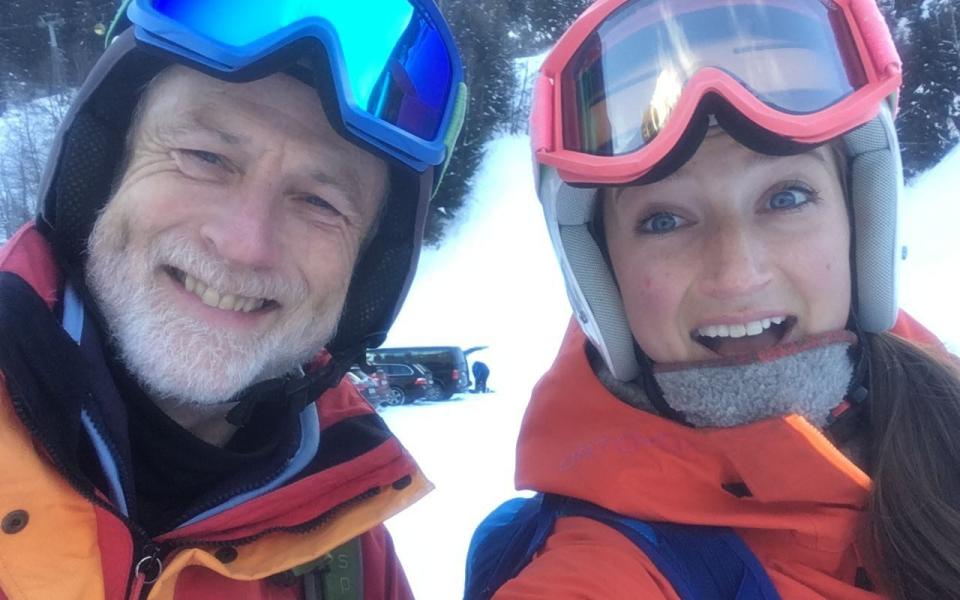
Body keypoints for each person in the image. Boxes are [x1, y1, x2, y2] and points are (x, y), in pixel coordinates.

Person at [466, 0, 960, 598]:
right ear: (604, 275)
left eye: (786, 198)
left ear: (861, 221)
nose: (736, 275)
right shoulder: (605, 570)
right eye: (665, 220)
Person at [0, 0, 465, 597]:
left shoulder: (345, 551)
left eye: (320, 203)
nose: (245, 244)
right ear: (103, 168)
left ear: (367, 275)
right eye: (205, 157)